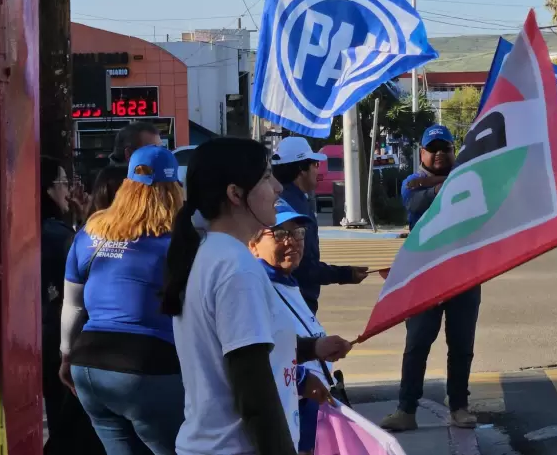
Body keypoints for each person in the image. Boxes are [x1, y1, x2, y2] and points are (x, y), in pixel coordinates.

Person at [161, 137, 351, 455]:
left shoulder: (215, 253)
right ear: (235, 194)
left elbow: (247, 350)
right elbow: (253, 390)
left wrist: (311, 348)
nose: (277, 187)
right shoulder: (236, 268)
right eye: (265, 177)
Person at [60, 145, 185, 455]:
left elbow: (73, 304)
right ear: (174, 188)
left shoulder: (91, 232)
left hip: (89, 364)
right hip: (148, 366)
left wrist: (65, 355)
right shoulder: (180, 239)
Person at [381, 125, 480, 431]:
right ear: (421, 153)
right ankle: (406, 410)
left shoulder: (470, 179)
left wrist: (448, 180)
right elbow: (418, 203)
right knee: (418, 343)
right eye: (432, 148)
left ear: (454, 151)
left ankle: (459, 407)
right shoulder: (411, 182)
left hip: (464, 272)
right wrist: (453, 181)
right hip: (424, 273)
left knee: (461, 344)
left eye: (445, 148)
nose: (438, 154)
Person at [248, 199, 336, 455]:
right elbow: (260, 355)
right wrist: (301, 380)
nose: (292, 241)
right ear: (252, 245)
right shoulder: (257, 287)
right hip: (289, 413)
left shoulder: (286, 281)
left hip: (307, 413)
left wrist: (320, 347)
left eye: (298, 233)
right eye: (280, 233)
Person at [40, 156, 105, 455]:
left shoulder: (53, 231)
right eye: (62, 183)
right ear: (46, 190)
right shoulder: (59, 235)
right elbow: (78, 290)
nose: (67, 191)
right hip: (57, 342)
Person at [272, 137, 368, 314]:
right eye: (315, 164)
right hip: (297, 301)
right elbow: (304, 267)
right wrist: (344, 274)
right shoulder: (294, 210)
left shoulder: (285, 198)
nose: (318, 169)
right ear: (301, 169)